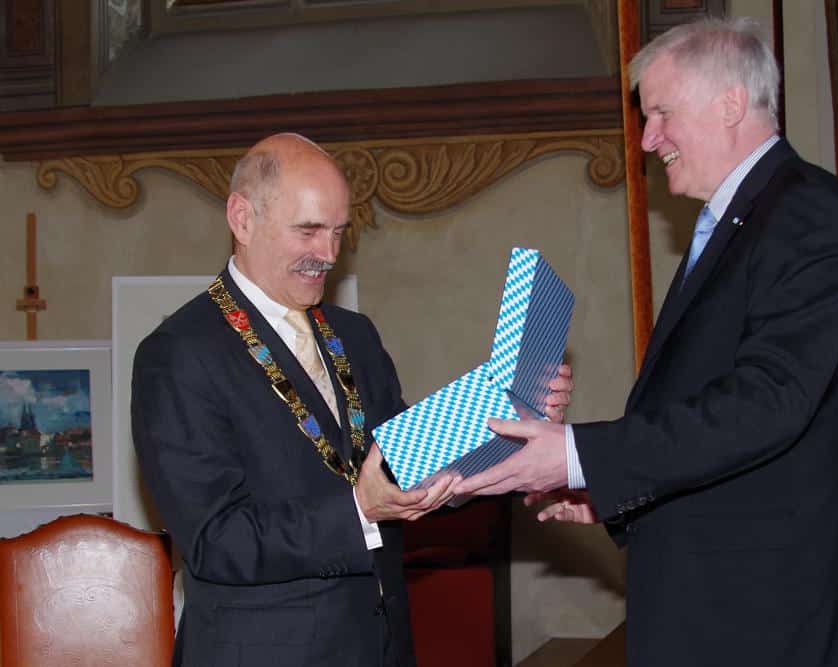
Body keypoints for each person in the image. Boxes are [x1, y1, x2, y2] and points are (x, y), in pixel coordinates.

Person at [455, 17, 838, 666]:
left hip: (764, 618)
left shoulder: (805, 214)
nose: (648, 139)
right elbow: (702, 402)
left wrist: (579, 455)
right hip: (718, 606)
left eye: (659, 113)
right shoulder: (742, 217)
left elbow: (767, 403)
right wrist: (606, 486)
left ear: (730, 103)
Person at [130, 133, 572, 667]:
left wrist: (512, 426)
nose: (329, 254)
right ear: (242, 219)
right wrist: (359, 509)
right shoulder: (178, 354)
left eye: (339, 232)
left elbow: (409, 472)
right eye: (309, 230)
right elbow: (216, 540)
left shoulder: (354, 335)